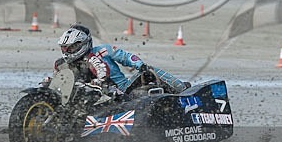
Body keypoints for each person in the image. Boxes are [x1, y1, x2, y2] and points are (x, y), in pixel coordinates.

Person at [53, 23, 188, 97]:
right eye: (65, 48)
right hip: (94, 94)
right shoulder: (63, 64)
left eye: (72, 47)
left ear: (84, 43)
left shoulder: (104, 50)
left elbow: (126, 57)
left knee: (149, 71)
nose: (67, 51)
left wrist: (139, 65)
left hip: (122, 88)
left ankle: (182, 89)